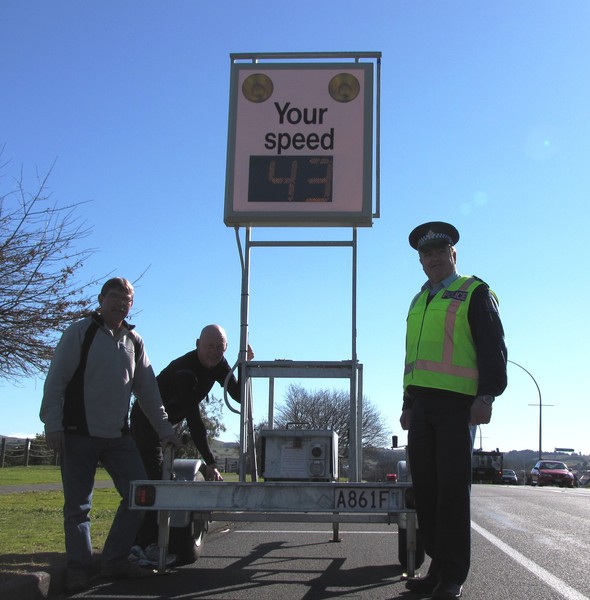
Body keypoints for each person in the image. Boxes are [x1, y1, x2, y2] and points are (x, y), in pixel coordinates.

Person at [40, 277, 181, 593]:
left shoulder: (135, 341)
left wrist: (165, 431)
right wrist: (53, 425)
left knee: (139, 495)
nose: (121, 303)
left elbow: (148, 391)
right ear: (102, 299)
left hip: (118, 437)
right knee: (78, 507)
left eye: (127, 299)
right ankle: (79, 569)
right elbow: (56, 382)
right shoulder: (80, 332)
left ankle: (115, 559)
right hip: (78, 433)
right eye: (115, 297)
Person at [399, 222, 507, 600]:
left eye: (440, 253)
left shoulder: (475, 292)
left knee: (451, 493)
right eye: (426, 255)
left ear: (453, 255)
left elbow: (494, 348)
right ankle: (437, 567)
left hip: (458, 407)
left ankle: (453, 576)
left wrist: (487, 396)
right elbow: (412, 356)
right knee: (426, 491)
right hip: (423, 408)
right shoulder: (418, 300)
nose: (433, 260)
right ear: (420, 261)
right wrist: (407, 403)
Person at [130, 324, 252, 557]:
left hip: (170, 422)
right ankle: (141, 544)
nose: (215, 352)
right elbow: (195, 420)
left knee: (164, 478)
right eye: (210, 346)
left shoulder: (220, 365)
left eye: (220, 347)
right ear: (198, 344)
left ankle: (154, 541)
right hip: (147, 419)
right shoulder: (186, 371)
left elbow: (237, 395)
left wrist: (245, 367)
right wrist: (211, 462)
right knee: (155, 481)